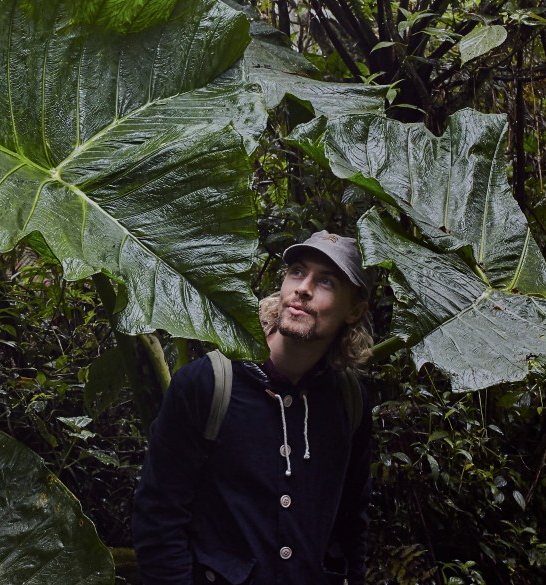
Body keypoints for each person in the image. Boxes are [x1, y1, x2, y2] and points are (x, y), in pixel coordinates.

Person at [133, 230, 375, 585]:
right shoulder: (207, 384)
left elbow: (352, 521)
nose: (302, 288)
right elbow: (159, 519)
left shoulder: (348, 400)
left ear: (354, 310)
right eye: (296, 271)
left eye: (325, 282)